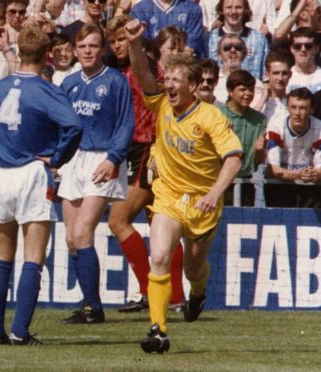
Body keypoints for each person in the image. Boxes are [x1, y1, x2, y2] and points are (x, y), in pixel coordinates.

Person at [125, 18, 243, 353]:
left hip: (203, 202)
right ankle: (158, 331)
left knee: (193, 268)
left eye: (178, 79)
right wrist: (134, 43)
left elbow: (233, 158)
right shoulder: (161, 101)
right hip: (168, 196)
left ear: (192, 86)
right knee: (159, 255)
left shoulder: (210, 117)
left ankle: (198, 293)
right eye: (169, 78)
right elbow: (143, 75)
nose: (170, 84)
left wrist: (213, 193)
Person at [0, 26, 82, 345]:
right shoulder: (46, 89)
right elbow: (73, 125)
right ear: (47, 55)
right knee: (33, 256)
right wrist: (56, 158)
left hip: (0, 173)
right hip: (30, 171)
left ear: (19, 51)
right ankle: (20, 332)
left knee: (1, 255)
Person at [105, 14, 186, 314]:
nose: (116, 46)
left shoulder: (145, 66)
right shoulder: (125, 69)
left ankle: (148, 290)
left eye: (121, 40)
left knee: (118, 220)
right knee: (158, 223)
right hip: (145, 150)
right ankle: (175, 297)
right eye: (112, 42)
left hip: (148, 148)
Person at [57, 24, 134, 324]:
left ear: (102, 49)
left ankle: (93, 307)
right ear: (75, 50)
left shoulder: (116, 82)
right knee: (70, 239)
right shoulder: (68, 83)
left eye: (93, 46)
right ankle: (90, 304)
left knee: (82, 233)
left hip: (103, 158)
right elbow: (60, 124)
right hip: (74, 160)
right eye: (82, 46)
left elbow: (127, 124)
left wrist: (113, 158)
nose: (88, 51)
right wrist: (55, 155)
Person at [265, 87, 321, 208]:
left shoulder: (320, 128)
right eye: (293, 107)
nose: (297, 113)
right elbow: (274, 170)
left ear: (312, 109)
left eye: (302, 108)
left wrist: (314, 174)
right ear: (287, 107)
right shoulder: (276, 127)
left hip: (310, 188)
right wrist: (299, 175)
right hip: (280, 187)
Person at [220, 70, 267, 206]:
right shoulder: (217, 115)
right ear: (230, 91)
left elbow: (258, 161)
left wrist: (259, 150)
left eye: (251, 90)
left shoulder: (259, 120)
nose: (248, 94)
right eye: (242, 89)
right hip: (219, 181)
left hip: (246, 183)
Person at [207, 0, 269, 80]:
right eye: (229, 7)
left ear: (245, 10)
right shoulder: (210, 39)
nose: (233, 11)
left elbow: (266, 74)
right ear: (222, 10)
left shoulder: (259, 38)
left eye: (238, 7)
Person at [130, 0, 206, 58]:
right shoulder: (140, 9)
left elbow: (191, 47)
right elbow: (143, 49)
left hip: (182, 69)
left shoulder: (192, 9)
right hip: (152, 68)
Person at [258, 50, 292, 121]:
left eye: (284, 73)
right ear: (267, 75)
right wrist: (262, 100)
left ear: (290, 75)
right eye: (276, 73)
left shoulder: (293, 102)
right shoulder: (257, 98)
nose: (280, 78)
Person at [286, 27, 321, 94]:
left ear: (316, 49)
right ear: (292, 49)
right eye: (298, 46)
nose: (303, 49)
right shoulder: (285, 77)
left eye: (308, 46)